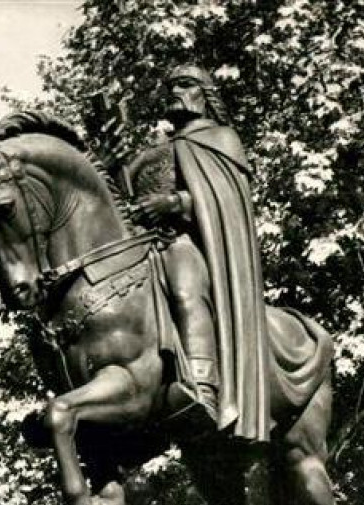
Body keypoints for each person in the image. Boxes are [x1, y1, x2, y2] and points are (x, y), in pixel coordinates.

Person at [105, 63, 271, 442]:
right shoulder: (157, 150)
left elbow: (226, 201)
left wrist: (175, 203)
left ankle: (202, 387)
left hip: (186, 242)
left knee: (185, 285)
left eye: (183, 85)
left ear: (204, 94)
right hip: (145, 245)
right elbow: (125, 201)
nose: (173, 93)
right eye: (170, 87)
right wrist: (116, 166)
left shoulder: (220, 139)